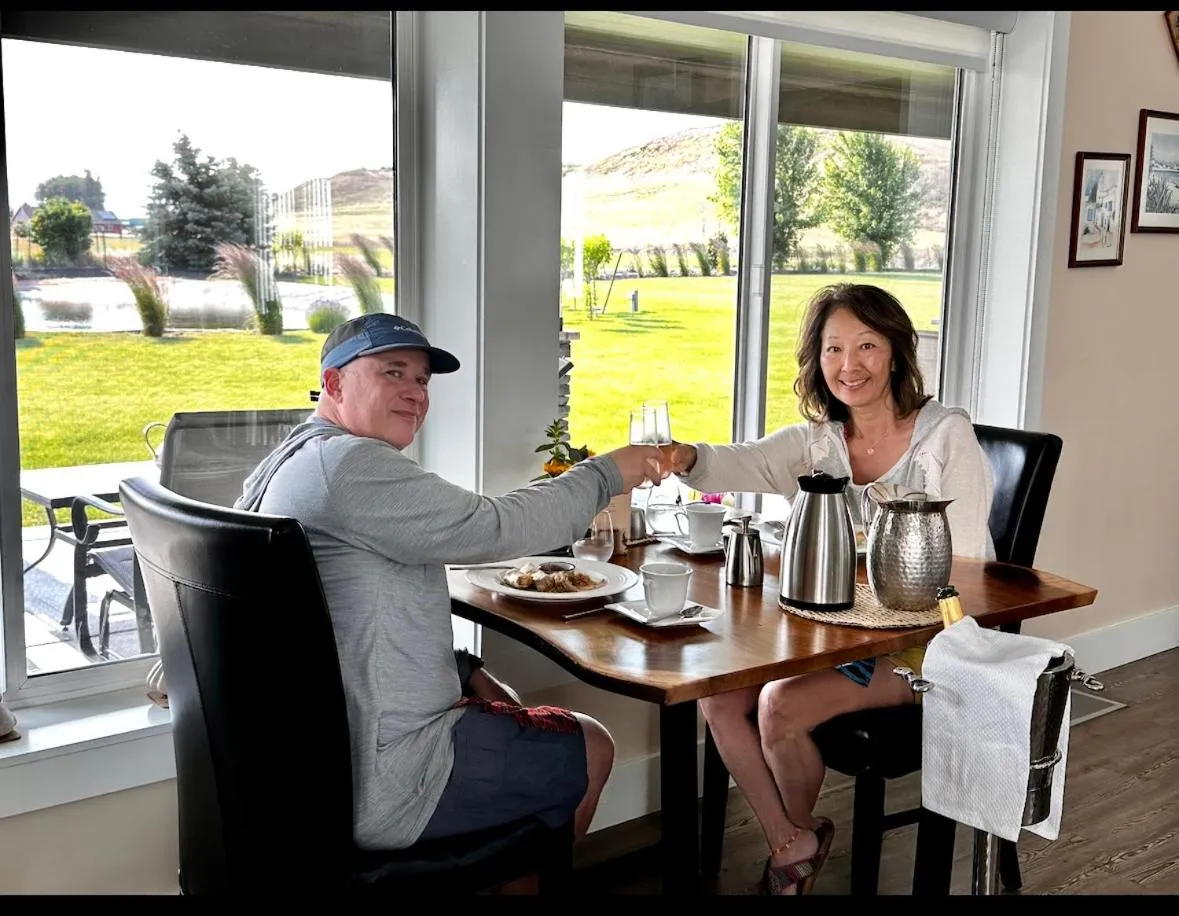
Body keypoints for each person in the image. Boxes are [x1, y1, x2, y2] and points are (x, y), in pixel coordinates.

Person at [234, 313, 666, 854]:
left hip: (324, 757)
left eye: (421, 380)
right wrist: (605, 474)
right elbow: (493, 527)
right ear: (334, 383)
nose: (415, 393)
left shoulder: (287, 461)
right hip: (390, 773)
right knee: (593, 746)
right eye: (393, 373)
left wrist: (464, 670)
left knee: (501, 695)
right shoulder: (349, 465)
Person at [664, 283, 995, 895]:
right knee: (713, 697)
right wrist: (680, 455)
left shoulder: (945, 437)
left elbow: (967, 574)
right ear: (817, 361)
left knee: (777, 704)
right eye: (834, 348)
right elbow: (728, 462)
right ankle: (792, 839)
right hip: (842, 638)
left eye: (867, 345)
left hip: (932, 648)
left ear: (897, 350)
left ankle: (789, 866)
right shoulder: (816, 444)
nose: (850, 365)